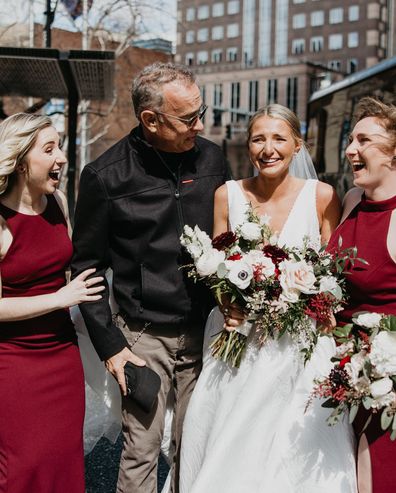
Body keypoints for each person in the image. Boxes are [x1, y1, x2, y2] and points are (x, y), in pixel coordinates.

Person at [179, 104, 357, 493]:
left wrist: (319, 303)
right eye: (259, 139)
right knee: (230, 440)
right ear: (248, 147)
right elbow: (215, 266)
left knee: (296, 448)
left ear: (298, 145)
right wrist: (227, 301)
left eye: (279, 138)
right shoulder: (227, 195)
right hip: (239, 339)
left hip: (300, 346)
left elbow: (333, 273)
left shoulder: (323, 197)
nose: (268, 148)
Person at [71, 62, 229, 493]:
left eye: (202, 112)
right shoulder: (105, 176)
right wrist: (112, 347)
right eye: (189, 117)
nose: (201, 124)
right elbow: (86, 269)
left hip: (206, 332)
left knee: (194, 446)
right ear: (151, 120)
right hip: (141, 338)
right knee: (142, 450)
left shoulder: (213, 158)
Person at [0, 113, 104, 493]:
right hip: (13, 363)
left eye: (59, 146)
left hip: (61, 356)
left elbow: (66, 266)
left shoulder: (58, 200)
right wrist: (60, 298)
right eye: (49, 149)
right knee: (22, 466)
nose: (61, 157)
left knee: (63, 460)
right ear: (20, 160)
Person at [328, 97, 396, 493]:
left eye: (364, 140)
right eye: (350, 139)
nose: (351, 149)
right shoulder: (352, 201)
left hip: (382, 380)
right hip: (340, 369)